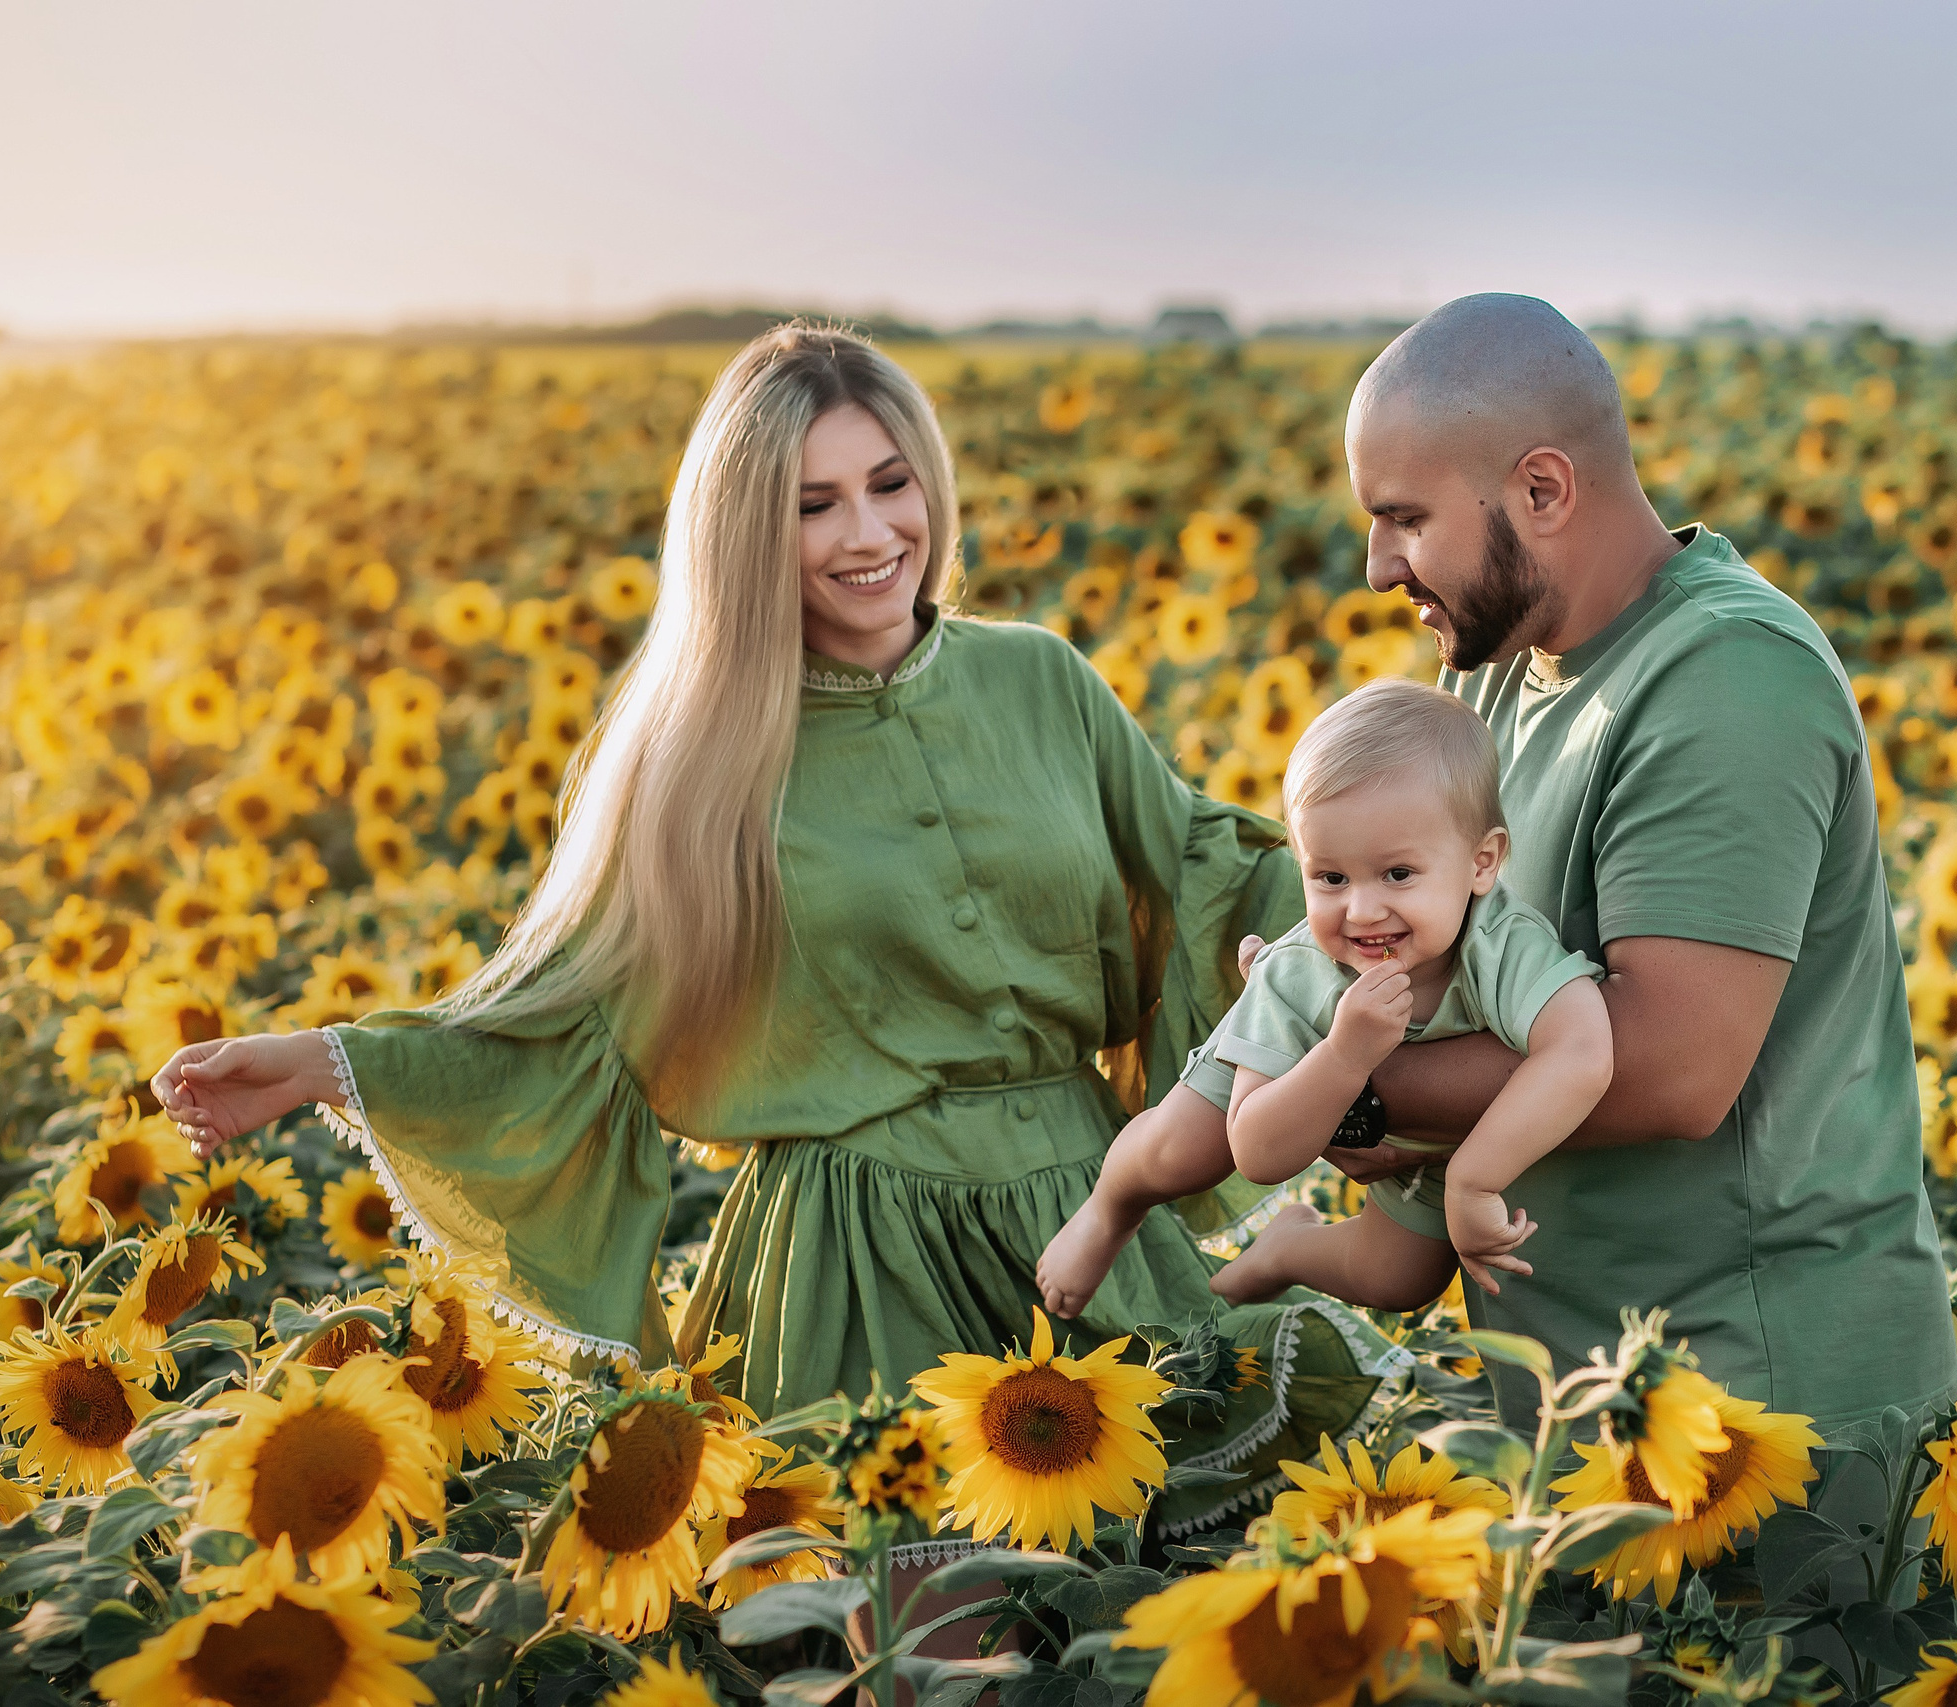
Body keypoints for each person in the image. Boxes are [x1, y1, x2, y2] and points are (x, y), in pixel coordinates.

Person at [149, 324, 1402, 1554]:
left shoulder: (1042, 680)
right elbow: (573, 1009)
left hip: (1092, 1214)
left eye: (890, 483)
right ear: (744, 533)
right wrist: (332, 1062)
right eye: (812, 505)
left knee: (1159, 1601)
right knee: (928, 1650)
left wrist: (1390, 909)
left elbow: (1198, 869)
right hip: (858, 1267)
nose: (868, 535)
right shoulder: (703, 756)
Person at [1328, 293, 1957, 1445]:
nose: (1376, 567)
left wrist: (1349, 1087)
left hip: (1764, 1406)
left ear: (1542, 490)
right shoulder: (1495, 669)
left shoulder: (1725, 675)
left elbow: (1673, 1065)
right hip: (1579, 1395)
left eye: (1405, 519)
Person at [1036, 678, 1613, 1317]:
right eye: (1330, 877)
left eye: (1398, 873)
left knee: (1397, 1282)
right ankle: (1109, 1209)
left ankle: (1286, 1251)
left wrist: (1474, 1181)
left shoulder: (1503, 943)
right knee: (1178, 1152)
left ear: (1482, 863)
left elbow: (1582, 1049)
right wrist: (1343, 1055)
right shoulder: (1304, 972)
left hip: (1449, 1142)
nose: (1362, 912)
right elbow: (1256, 1154)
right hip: (1303, 1048)